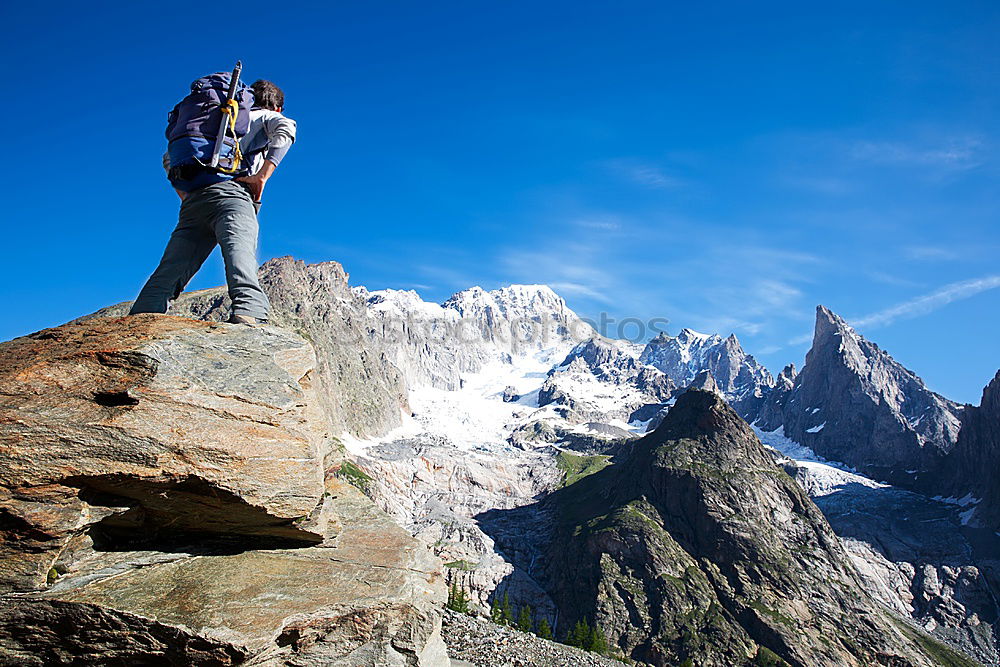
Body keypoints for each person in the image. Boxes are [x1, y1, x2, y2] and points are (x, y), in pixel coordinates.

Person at [129, 79, 296, 325]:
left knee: (171, 268)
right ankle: (250, 314)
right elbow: (286, 130)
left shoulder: (216, 120)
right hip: (232, 196)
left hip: (194, 202)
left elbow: (169, 158)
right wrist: (261, 178)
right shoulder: (265, 117)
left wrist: (186, 195)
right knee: (240, 255)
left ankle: (141, 318)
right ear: (277, 106)